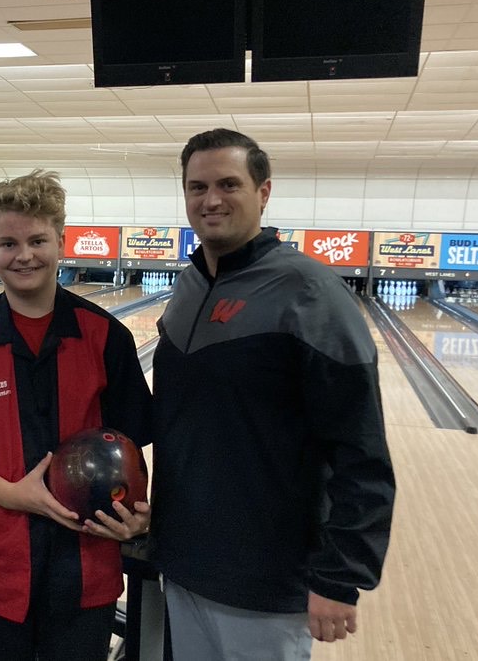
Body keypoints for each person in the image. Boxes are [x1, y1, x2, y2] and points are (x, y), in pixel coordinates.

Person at [151, 128, 395, 659]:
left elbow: (361, 449)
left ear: (263, 192)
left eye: (228, 184)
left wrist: (340, 575)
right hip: (184, 559)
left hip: (266, 574)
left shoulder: (310, 293)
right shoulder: (187, 288)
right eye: (197, 187)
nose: (210, 200)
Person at [0, 170, 151, 661]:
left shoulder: (107, 337)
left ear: (61, 242)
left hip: (88, 561)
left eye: (38, 240)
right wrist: (19, 496)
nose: (24, 255)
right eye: (8, 243)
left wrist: (142, 513)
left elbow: (135, 444)